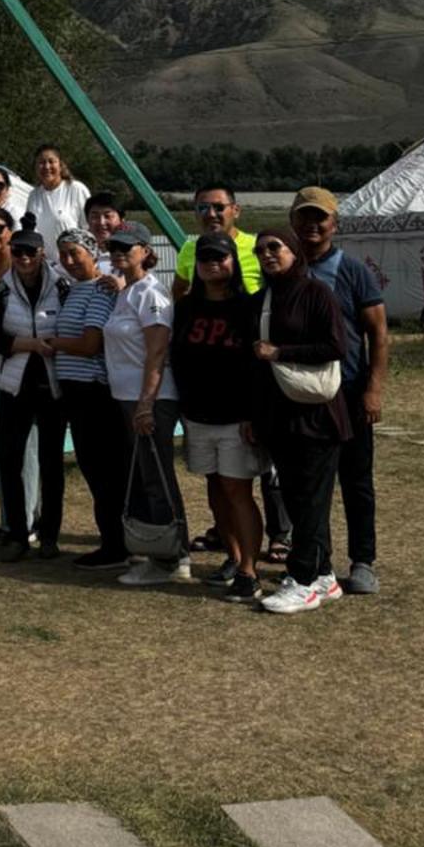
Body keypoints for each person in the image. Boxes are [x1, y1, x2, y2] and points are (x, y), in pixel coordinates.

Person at [291, 186, 389, 595]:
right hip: (298, 393)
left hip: (346, 390)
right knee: (307, 484)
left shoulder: (351, 269)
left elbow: (379, 334)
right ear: (293, 221)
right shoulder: (283, 267)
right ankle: (317, 561)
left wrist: (373, 390)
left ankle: (363, 560)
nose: (313, 224)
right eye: (305, 216)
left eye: (321, 217)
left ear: (335, 223)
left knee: (356, 479)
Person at [252, 227, 351, 615]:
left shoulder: (316, 293)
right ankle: (323, 573)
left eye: (275, 247)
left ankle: (303, 581)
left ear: (294, 251)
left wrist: (280, 351)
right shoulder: (264, 299)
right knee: (299, 498)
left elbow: (335, 346)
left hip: (317, 417)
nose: (268, 255)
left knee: (309, 499)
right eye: (261, 251)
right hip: (281, 416)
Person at [170, 234, 263, 604]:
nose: (212, 264)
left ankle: (250, 570)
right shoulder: (185, 308)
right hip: (198, 413)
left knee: (238, 489)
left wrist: (254, 413)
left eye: (220, 257)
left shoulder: (248, 307)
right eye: (206, 258)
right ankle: (234, 557)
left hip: (236, 416)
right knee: (214, 488)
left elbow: (257, 367)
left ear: (233, 262)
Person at [102, 224, 190, 589]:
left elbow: (157, 351)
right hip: (127, 395)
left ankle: (175, 556)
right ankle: (158, 551)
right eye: (114, 247)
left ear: (144, 250)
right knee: (143, 475)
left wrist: (146, 404)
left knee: (156, 477)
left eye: (127, 247)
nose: (119, 252)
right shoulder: (128, 291)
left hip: (150, 398)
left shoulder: (152, 293)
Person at [0, 219, 63, 559]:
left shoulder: (61, 287)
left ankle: (49, 535)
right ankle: (17, 531)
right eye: (17, 251)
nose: (24, 258)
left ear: (42, 253)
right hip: (14, 384)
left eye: (30, 251)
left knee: (51, 461)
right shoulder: (1, 289)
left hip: (51, 384)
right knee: (10, 458)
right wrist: (30, 344)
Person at [47, 229, 126, 570]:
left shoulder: (100, 289)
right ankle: (111, 540)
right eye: (63, 254)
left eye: (75, 253)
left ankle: (117, 544)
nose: (68, 260)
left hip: (93, 390)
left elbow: (90, 344)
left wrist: (52, 342)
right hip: (74, 390)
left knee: (105, 470)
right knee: (93, 469)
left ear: (92, 253)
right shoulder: (71, 290)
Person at [173, 183, 261, 296]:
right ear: (195, 213)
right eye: (203, 208)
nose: (211, 214)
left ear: (236, 211)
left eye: (219, 207)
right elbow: (179, 290)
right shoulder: (190, 248)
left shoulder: (258, 247)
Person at [28, 145, 91, 257]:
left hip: (73, 263)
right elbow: (31, 231)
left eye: (51, 161)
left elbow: (89, 228)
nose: (47, 166)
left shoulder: (76, 189)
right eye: (41, 162)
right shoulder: (33, 195)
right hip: (46, 265)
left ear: (60, 165)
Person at [83, 192, 125, 271]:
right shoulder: (78, 255)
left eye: (107, 216)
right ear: (87, 220)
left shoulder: (131, 255)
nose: (101, 222)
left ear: (122, 221)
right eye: (95, 217)